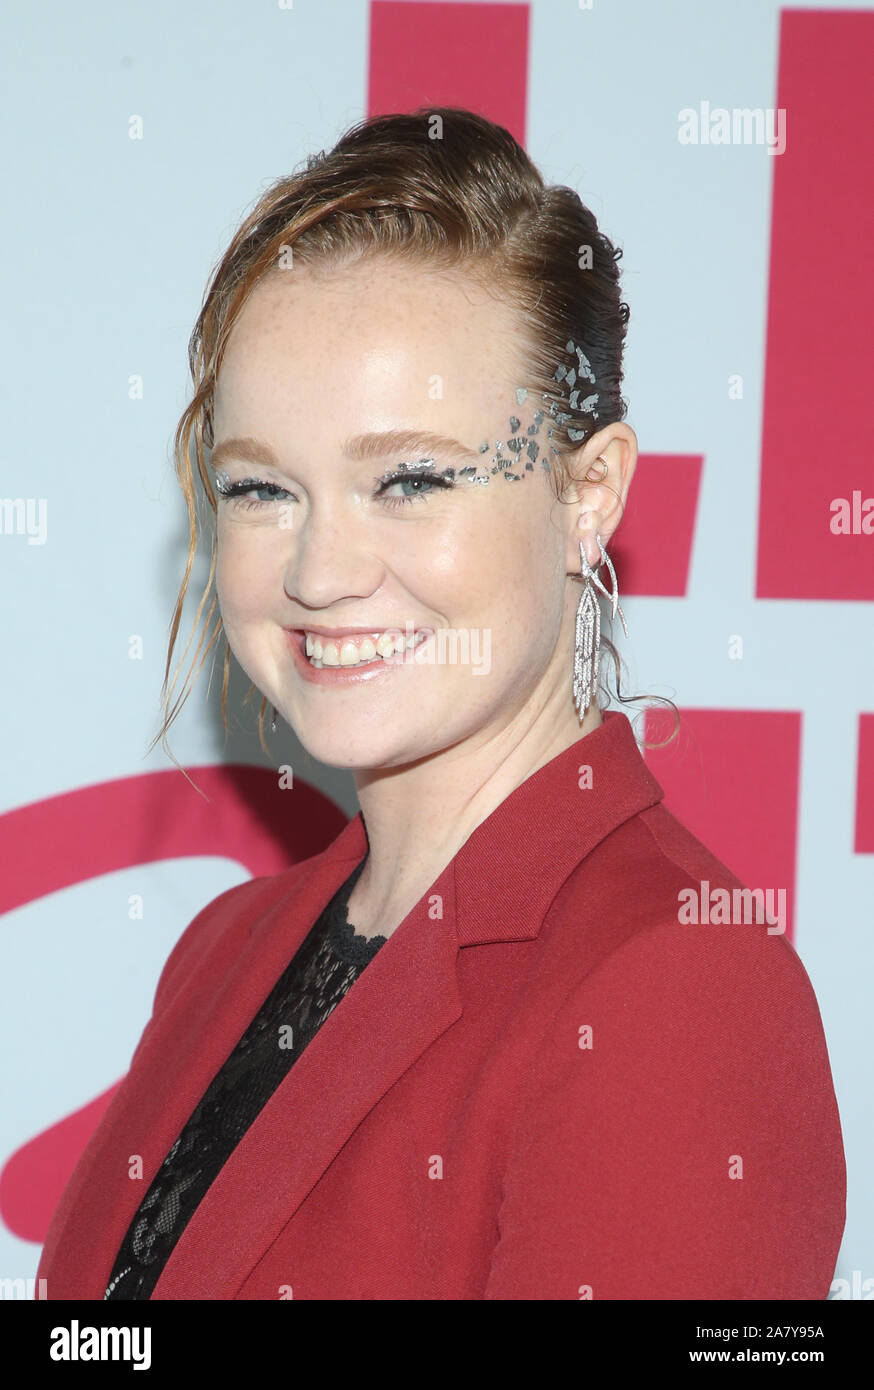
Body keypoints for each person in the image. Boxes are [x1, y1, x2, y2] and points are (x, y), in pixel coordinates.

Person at [37, 108, 845, 1300]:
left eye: (409, 478)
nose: (317, 570)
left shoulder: (677, 991)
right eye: (261, 487)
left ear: (587, 493)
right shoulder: (225, 954)